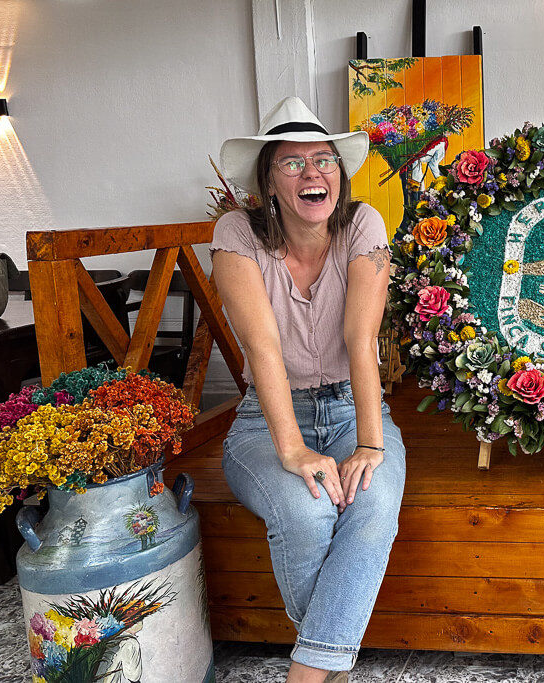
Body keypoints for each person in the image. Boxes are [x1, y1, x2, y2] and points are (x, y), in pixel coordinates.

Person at [212, 97, 405, 683]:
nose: (311, 173)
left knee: (371, 506)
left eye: (323, 160)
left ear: (339, 177)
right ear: (268, 179)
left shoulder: (363, 225)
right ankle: (332, 668)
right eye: (291, 164)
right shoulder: (236, 233)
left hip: (353, 409)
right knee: (306, 508)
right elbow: (264, 347)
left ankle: (309, 672)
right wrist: (292, 448)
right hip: (266, 421)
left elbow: (360, 337)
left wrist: (370, 444)